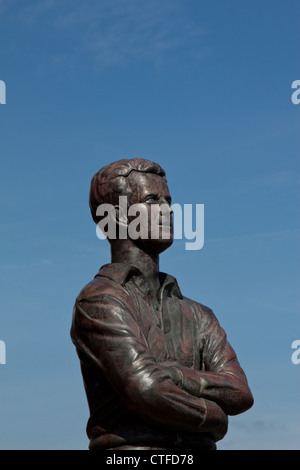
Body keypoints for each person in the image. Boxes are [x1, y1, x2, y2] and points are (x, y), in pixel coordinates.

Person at [70, 158, 253, 450]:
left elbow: (241, 392)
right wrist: (215, 417)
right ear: (116, 216)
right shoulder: (100, 301)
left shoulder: (198, 314)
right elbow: (146, 390)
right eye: (152, 200)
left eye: (168, 201)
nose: (168, 210)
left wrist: (178, 376)